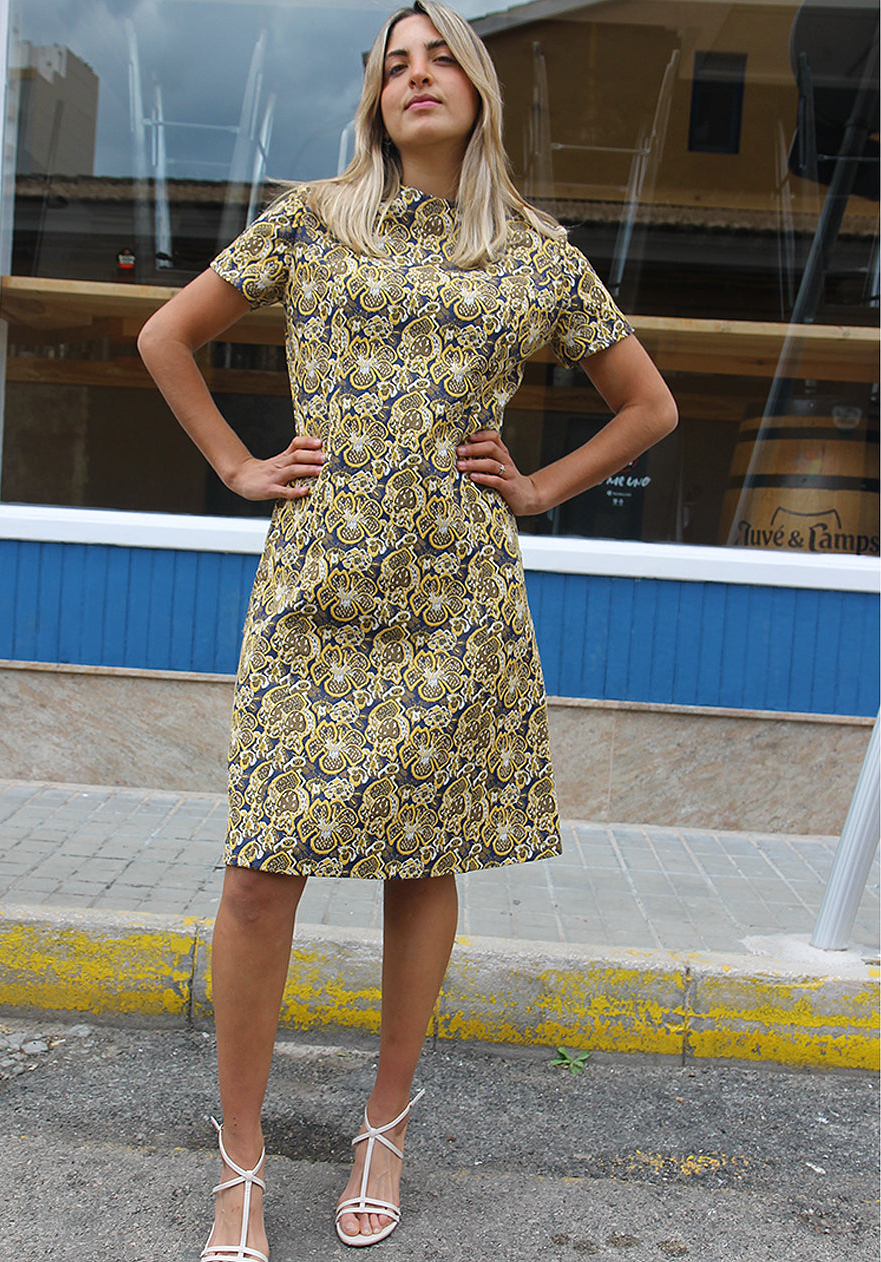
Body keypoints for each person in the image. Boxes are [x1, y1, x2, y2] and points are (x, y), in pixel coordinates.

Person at [138, 3, 677, 1257]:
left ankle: (385, 1120)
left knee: (417, 858)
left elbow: (645, 404)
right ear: (374, 98)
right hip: (316, 584)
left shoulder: (535, 253)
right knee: (258, 867)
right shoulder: (312, 220)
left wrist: (538, 487)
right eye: (394, 63)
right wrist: (236, 463)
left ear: (479, 90)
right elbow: (167, 335)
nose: (416, 76)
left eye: (439, 58)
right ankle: (239, 1162)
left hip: (455, 591)